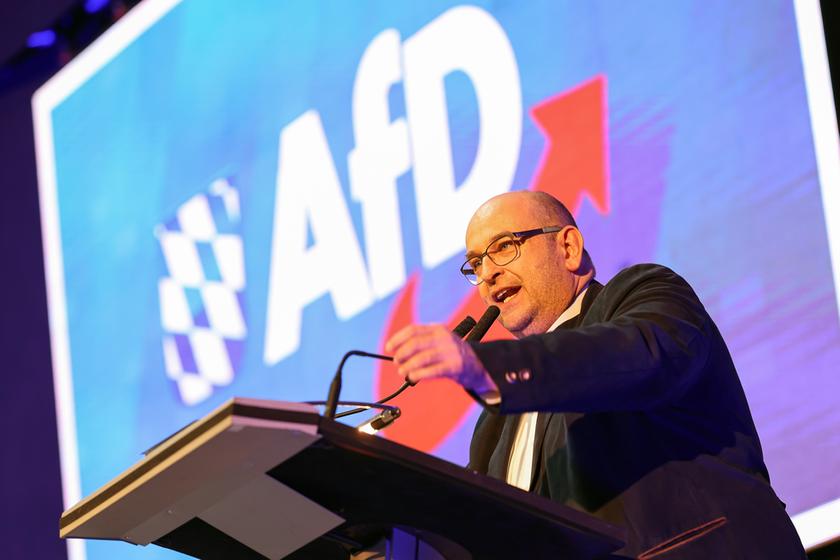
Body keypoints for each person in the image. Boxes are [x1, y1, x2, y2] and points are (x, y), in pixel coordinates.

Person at [385, 190, 806, 558]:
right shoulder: (494, 425)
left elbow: (635, 356)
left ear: (567, 246)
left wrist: (484, 365)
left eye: (504, 247)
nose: (488, 273)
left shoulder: (644, 294)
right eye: (476, 263)